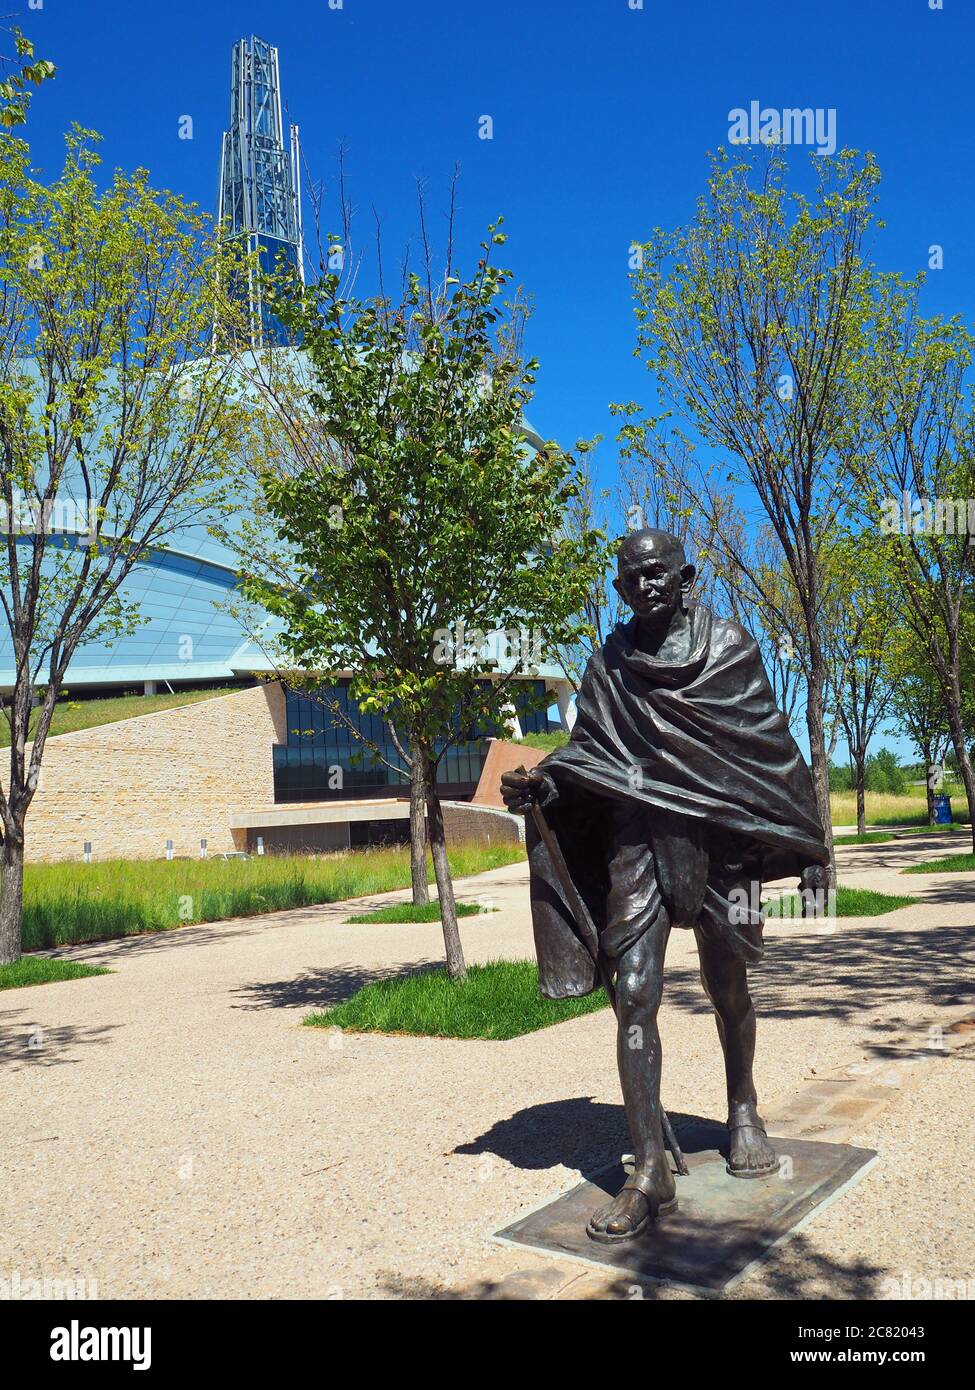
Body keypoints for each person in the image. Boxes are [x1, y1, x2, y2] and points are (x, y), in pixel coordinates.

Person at [501, 528, 828, 1243]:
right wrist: (542, 783)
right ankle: (648, 1168)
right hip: (636, 842)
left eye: (656, 573)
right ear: (619, 589)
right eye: (630, 577)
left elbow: (768, 747)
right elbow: (590, 752)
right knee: (635, 993)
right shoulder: (608, 665)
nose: (644, 585)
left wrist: (809, 842)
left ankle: (742, 1108)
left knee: (728, 985)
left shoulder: (731, 648)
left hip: (721, 843)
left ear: (684, 577)